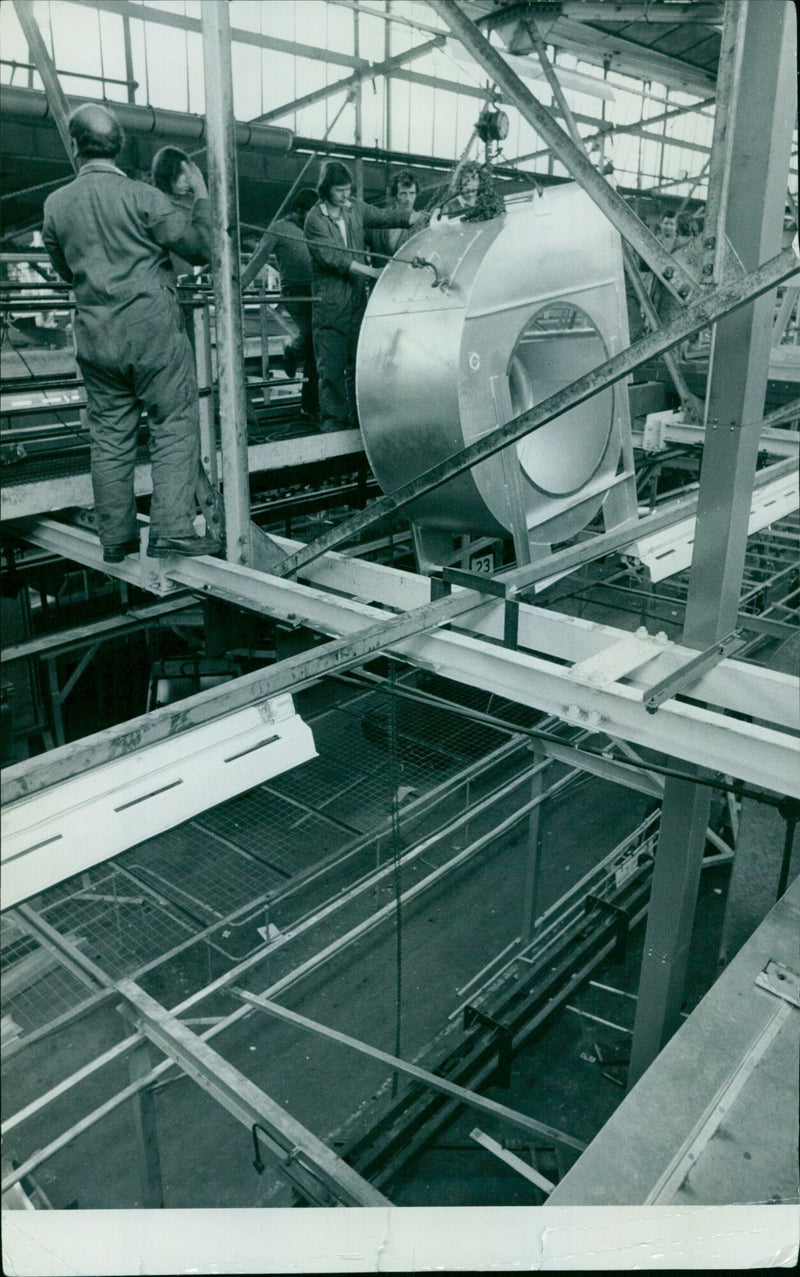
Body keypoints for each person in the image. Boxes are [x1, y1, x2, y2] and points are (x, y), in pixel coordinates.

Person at [42, 105, 220, 562]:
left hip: (97, 338)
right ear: (119, 145)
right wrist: (201, 197)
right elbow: (200, 249)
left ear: (77, 146)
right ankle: (171, 529)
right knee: (175, 422)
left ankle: (116, 538)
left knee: (109, 436)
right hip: (152, 333)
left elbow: (65, 268)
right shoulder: (143, 197)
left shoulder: (56, 205)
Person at [304, 160, 424, 432]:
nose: (345, 195)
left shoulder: (354, 208)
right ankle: (333, 425)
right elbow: (333, 256)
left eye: (348, 189)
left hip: (357, 301)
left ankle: (360, 423)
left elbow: (380, 217)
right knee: (331, 369)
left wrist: (411, 218)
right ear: (325, 190)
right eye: (339, 191)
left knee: (360, 364)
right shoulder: (315, 219)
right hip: (331, 304)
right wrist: (370, 271)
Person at [253, 188, 319, 420]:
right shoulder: (280, 228)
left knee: (316, 345)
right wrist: (237, 286)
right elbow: (259, 257)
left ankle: (310, 406)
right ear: (299, 210)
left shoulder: (315, 229)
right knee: (312, 339)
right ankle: (293, 353)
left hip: (317, 291)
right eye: (309, 214)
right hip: (294, 292)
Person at [368, 170, 420, 260]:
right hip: (380, 273)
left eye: (412, 193)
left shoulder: (422, 223)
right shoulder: (378, 218)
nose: (408, 199)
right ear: (395, 195)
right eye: (403, 194)